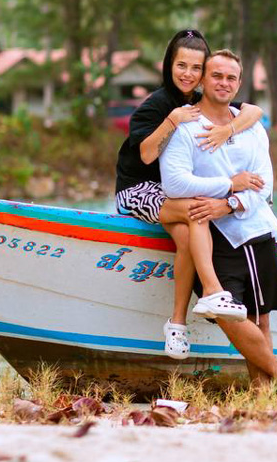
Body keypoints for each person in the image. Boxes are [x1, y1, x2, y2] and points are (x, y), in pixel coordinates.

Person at [160, 49, 277, 399]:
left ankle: (261, 394)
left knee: (260, 316)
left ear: (239, 83)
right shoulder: (185, 127)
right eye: (217, 76)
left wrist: (229, 203)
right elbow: (174, 184)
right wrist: (228, 185)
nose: (223, 83)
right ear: (204, 80)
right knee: (227, 315)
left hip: (250, 227)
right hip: (208, 234)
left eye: (231, 78)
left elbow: (263, 183)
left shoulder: (251, 127)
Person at [114, 29, 266, 360]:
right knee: (197, 208)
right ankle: (212, 291)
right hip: (138, 190)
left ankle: (177, 324)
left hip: (177, 193)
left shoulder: (202, 99)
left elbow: (254, 111)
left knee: (185, 237)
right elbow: (146, 156)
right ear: (169, 64)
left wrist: (229, 129)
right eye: (181, 65)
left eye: (196, 68)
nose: (188, 74)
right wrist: (172, 120)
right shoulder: (157, 105)